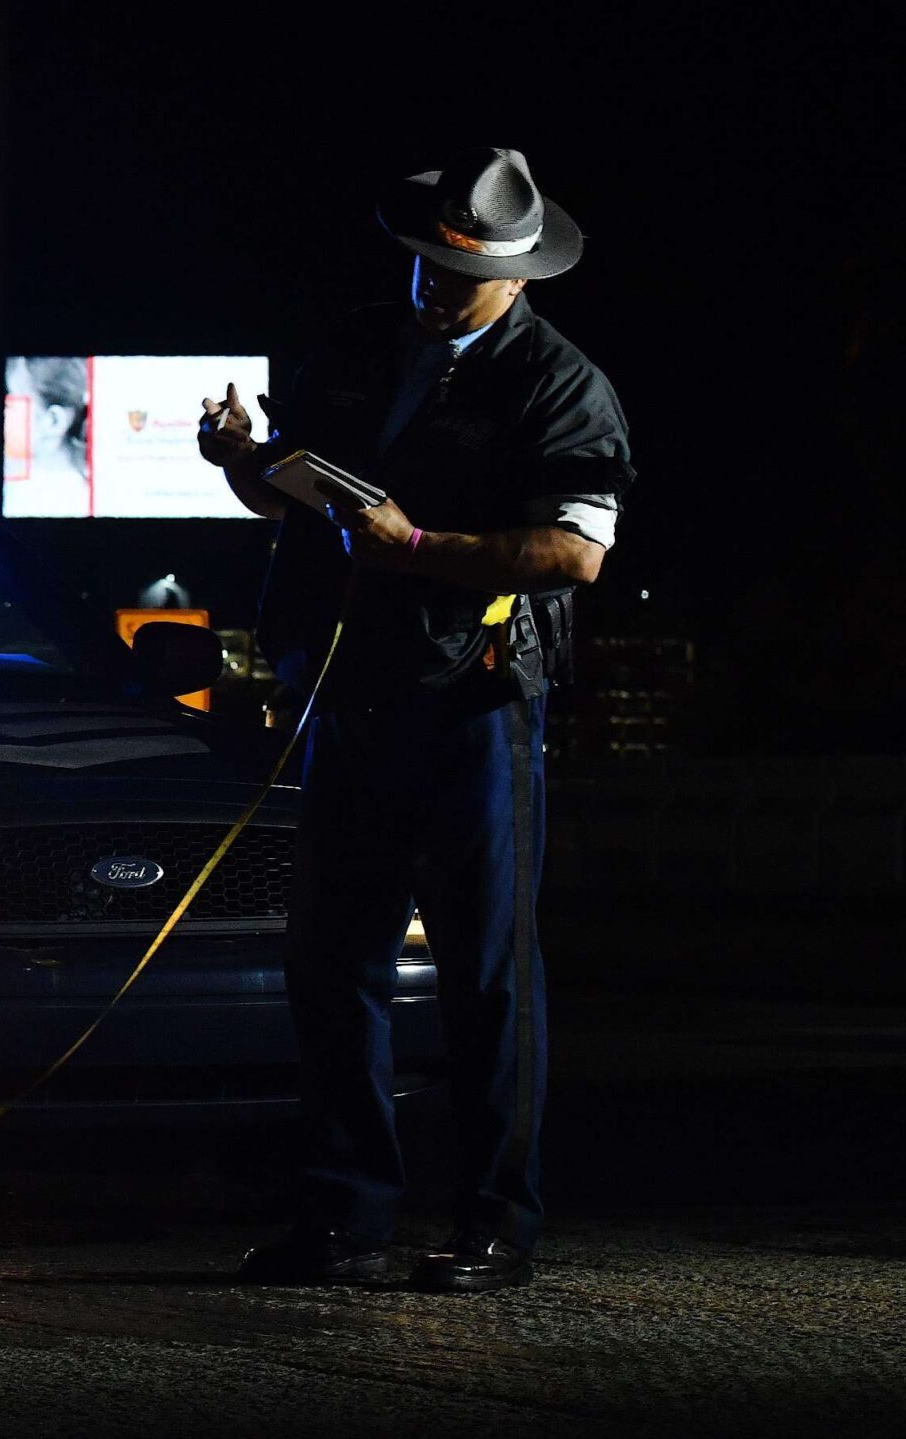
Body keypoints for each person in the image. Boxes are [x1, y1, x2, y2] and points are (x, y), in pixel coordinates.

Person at [196, 149, 632, 1293]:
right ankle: (345, 1215)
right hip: (353, 695)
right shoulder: (353, 344)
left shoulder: (559, 383)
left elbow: (574, 553)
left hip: (475, 700)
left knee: (489, 971)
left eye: (460, 271)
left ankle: (496, 1219)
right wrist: (241, 462)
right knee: (331, 961)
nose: (435, 285)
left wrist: (419, 549)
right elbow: (298, 489)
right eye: (425, 262)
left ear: (519, 274)